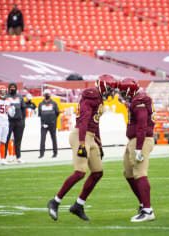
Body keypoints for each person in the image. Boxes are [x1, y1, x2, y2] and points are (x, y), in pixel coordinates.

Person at [47, 74, 117, 221]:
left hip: (90, 137)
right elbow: (84, 121)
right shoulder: (90, 97)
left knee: (98, 172)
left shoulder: (98, 99)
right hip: (81, 135)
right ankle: (55, 201)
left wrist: (99, 144)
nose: (111, 92)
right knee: (80, 172)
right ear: (104, 87)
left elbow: (95, 124)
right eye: (110, 88)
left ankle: (78, 205)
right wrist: (82, 144)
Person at [119, 78, 156, 222]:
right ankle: (143, 204)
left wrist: (139, 148)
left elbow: (141, 124)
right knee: (128, 173)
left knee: (140, 173)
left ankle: (148, 210)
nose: (122, 94)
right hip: (134, 140)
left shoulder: (140, 100)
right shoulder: (137, 99)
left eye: (124, 91)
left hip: (141, 140)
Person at [5, 82, 26, 163]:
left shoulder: (20, 97)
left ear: (16, 88)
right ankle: (4, 157)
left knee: (18, 140)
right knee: (6, 139)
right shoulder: (6, 97)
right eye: (11, 87)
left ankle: (18, 157)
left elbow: (23, 108)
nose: (12, 89)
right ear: (9, 88)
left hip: (19, 121)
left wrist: (23, 120)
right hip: (9, 121)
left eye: (14, 87)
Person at [38, 89, 60, 158]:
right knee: (42, 139)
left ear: (50, 95)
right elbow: (40, 114)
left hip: (52, 124)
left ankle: (55, 153)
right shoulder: (41, 104)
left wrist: (53, 120)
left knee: (53, 138)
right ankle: (41, 153)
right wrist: (43, 122)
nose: (47, 95)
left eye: (48, 94)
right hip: (44, 124)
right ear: (44, 95)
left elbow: (57, 113)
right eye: (45, 94)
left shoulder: (54, 103)